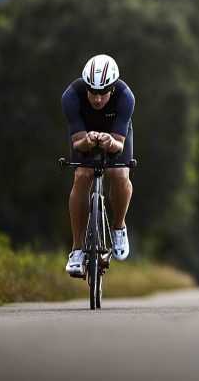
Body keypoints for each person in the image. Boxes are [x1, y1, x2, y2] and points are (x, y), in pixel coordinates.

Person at [61, 54, 136, 277]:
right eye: (92, 91)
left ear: (112, 89)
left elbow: (119, 146)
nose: (97, 98)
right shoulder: (71, 97)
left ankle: (119, 228)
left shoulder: (125, 97)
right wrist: (89, 140)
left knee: (120, 174)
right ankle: (76, 250)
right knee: (82, 175)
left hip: (115, 135)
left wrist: (109, 141)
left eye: (103, 93)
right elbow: (79, 144)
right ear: (85, 86)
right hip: (84, 133)